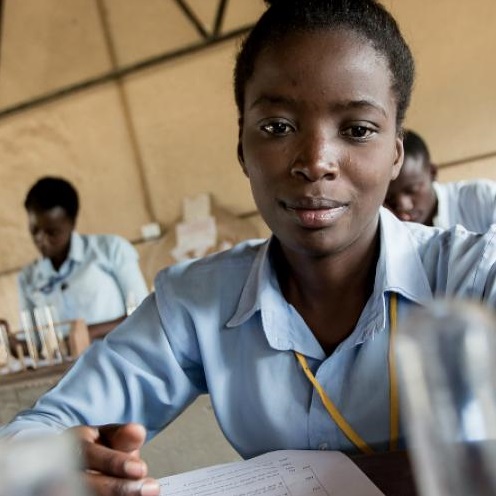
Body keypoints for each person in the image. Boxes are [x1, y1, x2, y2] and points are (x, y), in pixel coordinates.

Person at [2, 1, 496, 495]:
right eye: (278, 127)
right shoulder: (196, 302)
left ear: (395, 152)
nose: (316, 161)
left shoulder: (473, 277)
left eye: (358, 129)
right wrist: (66, 464)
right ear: (242, 147)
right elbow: (25, 442)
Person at [16, 176, 149, 340]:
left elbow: (144, 313)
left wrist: (85, 334)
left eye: (52, 232)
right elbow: (32, 343)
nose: (41, 240)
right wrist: (10, 341)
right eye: (34, 230)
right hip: (66, 366)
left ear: (72, 223)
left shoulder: (110, 249)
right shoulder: (27, 278)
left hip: (117, 357)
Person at [384, 129, 496, 230]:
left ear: (432, 172)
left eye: (412, 190)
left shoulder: (481, 198)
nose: (403, 206)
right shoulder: (384, 226)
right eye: (389, 197)